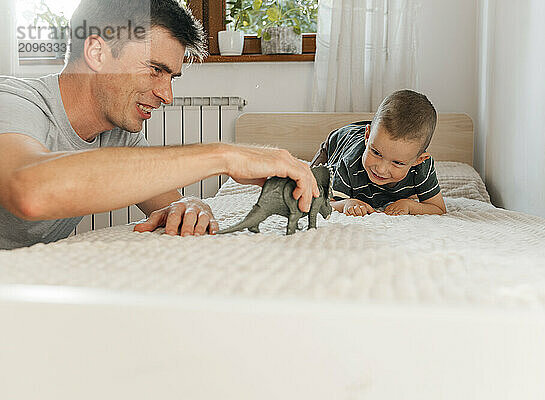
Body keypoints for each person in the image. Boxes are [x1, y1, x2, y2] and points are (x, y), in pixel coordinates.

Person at [0, 0, 318, 250]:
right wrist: (226, 156)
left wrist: (191, 204)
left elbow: (171, 201)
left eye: (172, 77)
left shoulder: (117, 133)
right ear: (97, 52)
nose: (166, 95)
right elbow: (31, 191)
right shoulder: (14, 102)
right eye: (155, 70)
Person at [310, 90, 446, 217]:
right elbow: (324, 203)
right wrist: (346, 203)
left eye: (397, 163)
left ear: (418, 160)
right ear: (367, 136)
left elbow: (438, 208)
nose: (380, 169)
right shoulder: (350, 161)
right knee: (310, 184)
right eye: (376, 152)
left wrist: (410, 205)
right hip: (337, 143)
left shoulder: (422, 168)